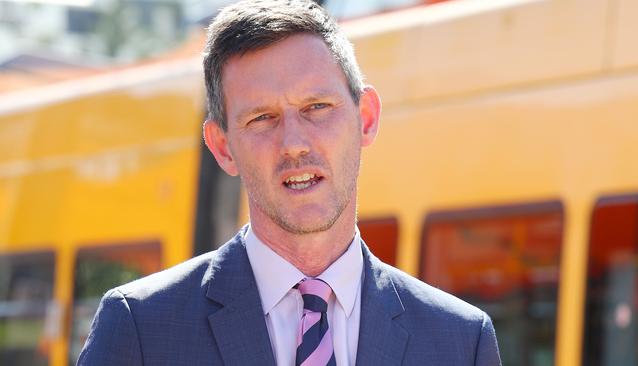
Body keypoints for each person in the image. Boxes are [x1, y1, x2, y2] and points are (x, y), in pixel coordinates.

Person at [77, 0, 502, 365]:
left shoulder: (460, 341)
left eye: (317, 107)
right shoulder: (141, 328)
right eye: (262, 118)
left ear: (366, 118)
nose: (294, 143)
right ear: (223, 146)